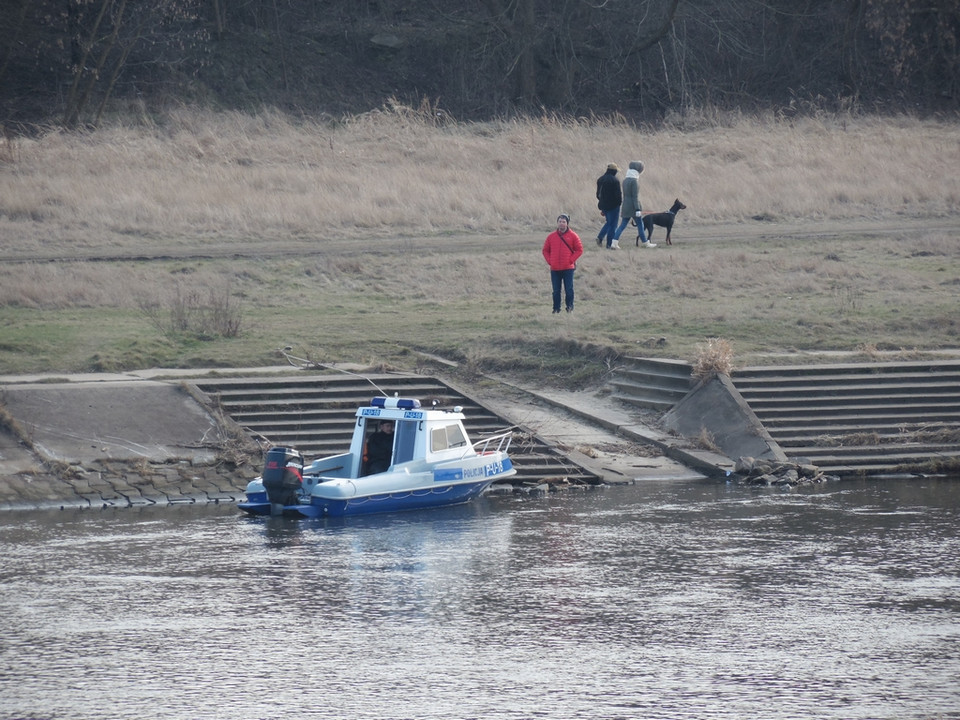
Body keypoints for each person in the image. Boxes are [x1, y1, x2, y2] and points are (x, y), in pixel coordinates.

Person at [542, 213, 584, 314]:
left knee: (569, 289)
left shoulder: (573, 236)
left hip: (568, 268)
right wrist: (550, 261)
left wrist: (571, 260)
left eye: (564, 222)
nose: (561, 224)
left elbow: (579, 250)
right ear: (557, 223)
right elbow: (545, 250)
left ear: (567, 223)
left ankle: (569, 308)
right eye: (560, 222)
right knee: (556, 291)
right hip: (555, 268)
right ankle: (556, 309)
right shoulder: (551, 237)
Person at [614, 160, 657, 248]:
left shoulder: (625, 180)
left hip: (625, 205)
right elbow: (635, 197)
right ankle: (645, 242)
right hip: (633, 207)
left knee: (622, 225)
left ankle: (614, 242)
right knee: (640, 224)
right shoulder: (634, 182)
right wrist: (637, 208)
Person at [595, 163, 622, 249]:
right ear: (614, 171)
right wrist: (619, 203)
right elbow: (618, 195)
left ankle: (600, 237)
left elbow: (597, 194)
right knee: (613, 225)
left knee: (609, 223)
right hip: (613, 206)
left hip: (603, 205)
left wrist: (602, 203)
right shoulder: (615, 181)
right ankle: (609, 244)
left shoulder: (600, 179)